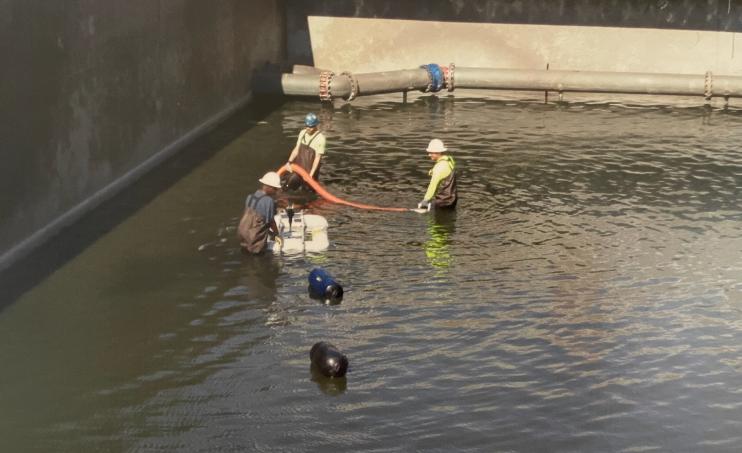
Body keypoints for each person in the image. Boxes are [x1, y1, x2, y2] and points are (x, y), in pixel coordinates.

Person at [238, 171, 283, 254]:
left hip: (242, 236)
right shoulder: (269, 201)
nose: (276, 191)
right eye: (275, 189)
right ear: (269, 187)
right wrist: (276, 234)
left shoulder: (250, 197)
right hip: (254, 240)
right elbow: (271, 222)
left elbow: (253, 220)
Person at [283, 112, 326, 190]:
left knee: (307, 195)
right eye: (306, 126)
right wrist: (289, 162)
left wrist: (310, 175)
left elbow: (317, 158)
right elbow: (296, 149)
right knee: (286, 188)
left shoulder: (321, 139)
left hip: (310, 173)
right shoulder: (302, 133)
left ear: (316, 125)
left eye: (311, 127)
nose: (308, 129)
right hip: (298, 170)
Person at [417, 138, 458, 211]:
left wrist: (425, 200)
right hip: (452, 199)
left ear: (438, 152)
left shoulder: (439, 168)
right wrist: (432, 171)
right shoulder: (448, 161)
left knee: (438, 221)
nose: (429, 155)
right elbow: (445, 173)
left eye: (431, 153)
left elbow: (432, 185)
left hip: (443, 202)